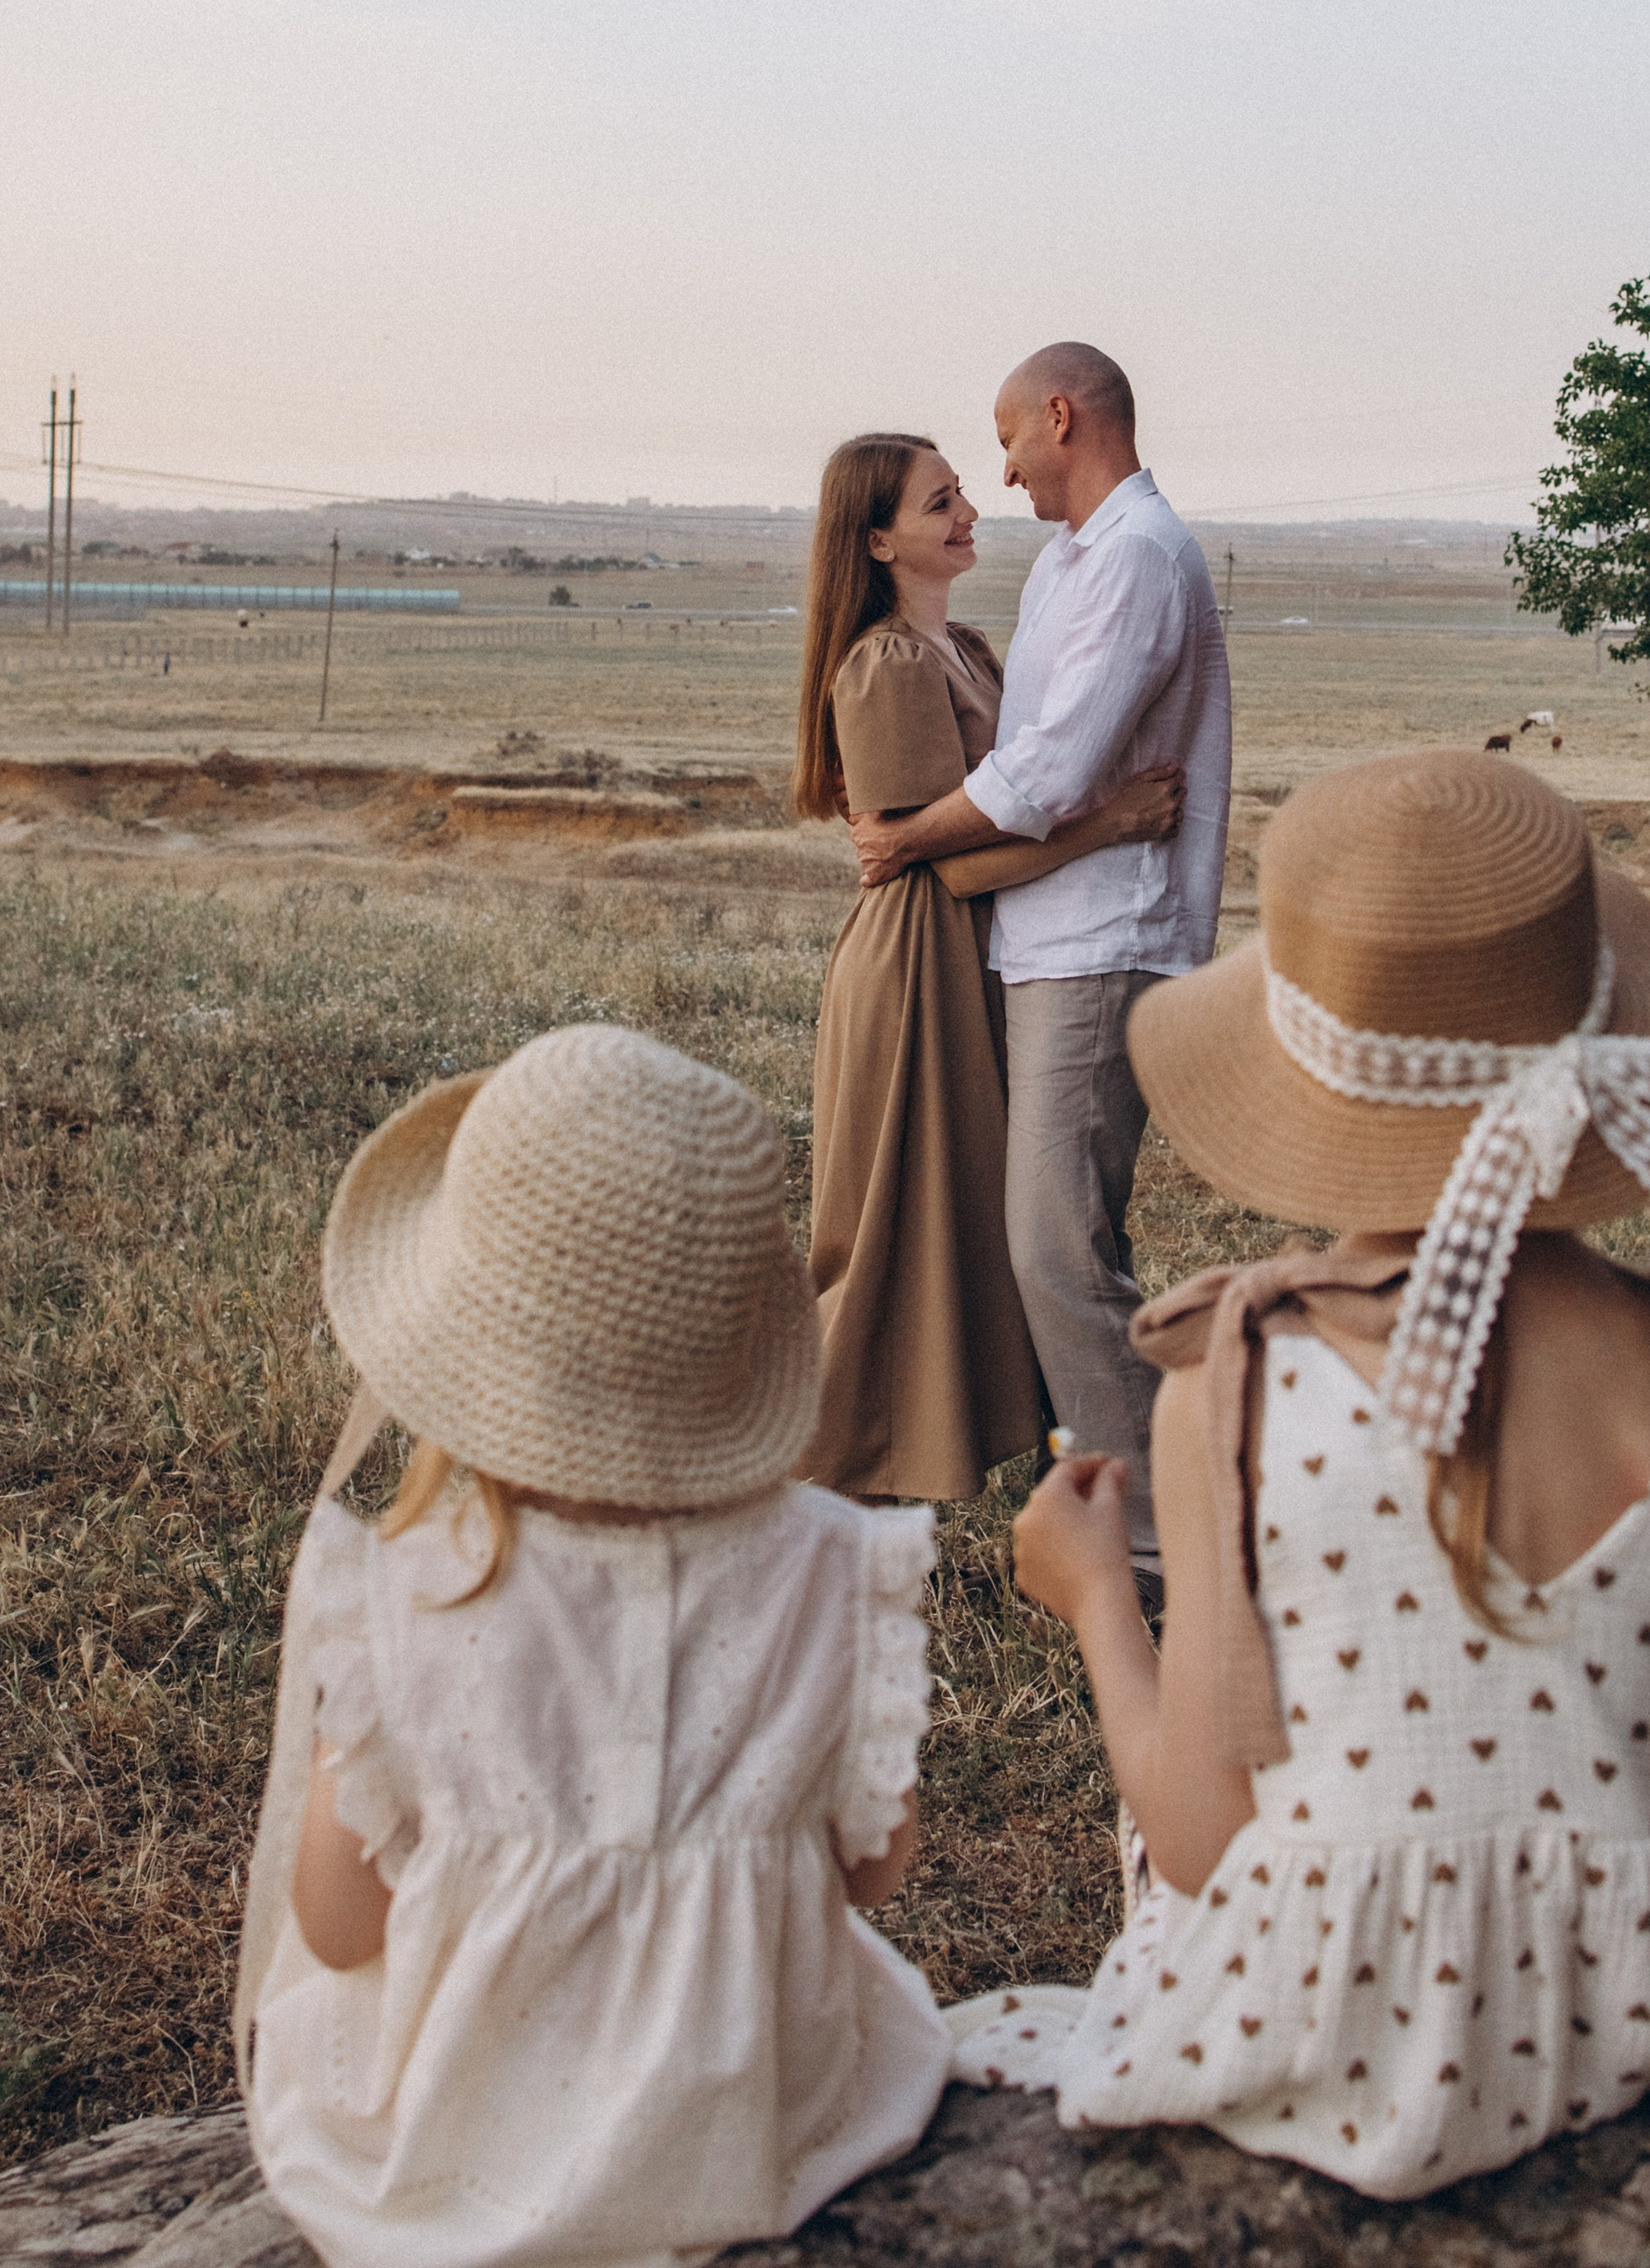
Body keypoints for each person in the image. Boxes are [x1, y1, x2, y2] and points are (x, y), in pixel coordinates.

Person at [943, 752, 1650, 2202]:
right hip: (1630, 2021)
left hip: (1308, 2037)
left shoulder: (1236, 1382)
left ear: (1297, 1073)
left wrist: (1098, 1596)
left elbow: (1198, 1844)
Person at [234, 1024, 950, 2268]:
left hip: (461, 2151)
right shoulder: (840, 1566)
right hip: (758, 2124)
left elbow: (341, 1925)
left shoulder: (407, 1596)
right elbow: (873, 1873)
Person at [850, 347, 1231, 1591]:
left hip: (1101, 939)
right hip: (1045, 939)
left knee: (1056, 1250)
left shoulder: (1133, 558)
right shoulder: (1075, 561)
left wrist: (907, 837)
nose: (1001, 476)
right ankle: (1111, 1495)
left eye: (1007, 443)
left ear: (1063, 418)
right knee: (1060, 1240)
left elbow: (1051, 771)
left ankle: (1163, 1546)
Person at [796, 432, 1185, 1501]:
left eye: (960, 491)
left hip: (972, 961)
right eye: (938, 504)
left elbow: (991, 808)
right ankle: (808, 1463)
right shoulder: (885, 666)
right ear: (877, 541)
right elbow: (944, 867)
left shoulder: (964, 645)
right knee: (892, 1237)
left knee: (981, 1227)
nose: (968, 510)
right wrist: (1110, 823)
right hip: (917, 964)